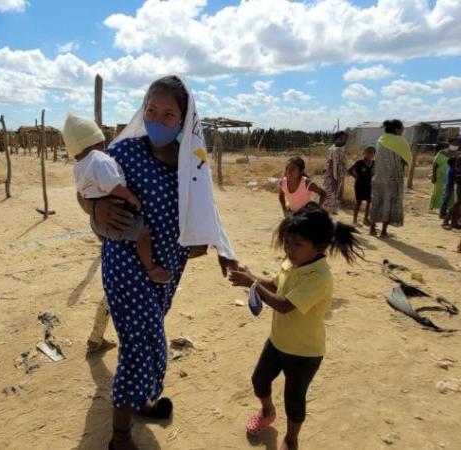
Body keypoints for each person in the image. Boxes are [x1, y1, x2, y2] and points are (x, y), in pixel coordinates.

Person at [76, 75, 237, 450]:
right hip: (124, 263)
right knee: (138, 344)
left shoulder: (191, 162)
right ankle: (119, 436)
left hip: (167, 267)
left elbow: (206, 207)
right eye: (151, 111)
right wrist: (95, 207)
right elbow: (85, 191)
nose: (157, 120)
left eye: (168, 115)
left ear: (183, 120)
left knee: (147, 335)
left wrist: (222, 250)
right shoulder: (123, 152)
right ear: (141, 110)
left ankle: (144, 400)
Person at [228, 203, 362, 450]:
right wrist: (252, 277)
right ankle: (267, 412)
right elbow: (275, 285)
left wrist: (253, 284)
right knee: (259, 380)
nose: (289, 249)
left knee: (294, 400)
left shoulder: (319, 278)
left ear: (319, 247)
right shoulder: (292, 263)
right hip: (278, 341)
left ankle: (291, 439)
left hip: (304, 352)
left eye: (297, 244)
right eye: (287, 242)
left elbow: (284, 305)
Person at [63, 112, 172, 284]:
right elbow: (111, 184)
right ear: (99, 140)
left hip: (96, 222)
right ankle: (151, 268)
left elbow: (81, 192)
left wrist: (93, 208)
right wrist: (130, 196)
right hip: (118, 215)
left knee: (113, 241)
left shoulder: (78, 166)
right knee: (143, 234)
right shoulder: (99, 158)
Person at [369, 119, 411, 238]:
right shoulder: (400, 141)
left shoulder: (381, 139)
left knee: (377, 201)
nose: (403, 130)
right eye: (402, 128)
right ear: (397, 129)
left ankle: (372, 228)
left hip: (378, 177)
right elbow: (406, 160)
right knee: (390, 202)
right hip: (393, 178)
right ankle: (383, 231)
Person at [430, 137, 460, 215]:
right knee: (438, 192)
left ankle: (447, 209)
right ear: (450, 144)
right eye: (454, 143)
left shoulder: (459, 155)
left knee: (450, 195)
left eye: (457, 144)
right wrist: (434, 175)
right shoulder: (442, 152)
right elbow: (435, 164)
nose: (455, 145)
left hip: (452, 177)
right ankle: (437, 208)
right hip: (440, 176)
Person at [347, 145, 376, 226]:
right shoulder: (359, 163)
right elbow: (349, 170)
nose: (370, 155)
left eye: (372, 153)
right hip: (359, 185)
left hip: (369, 185)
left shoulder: (374, 163)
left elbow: (375, 173)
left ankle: (365, 219)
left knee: (369, 201)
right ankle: (355, 220)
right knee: (358, 202)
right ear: (365, 153)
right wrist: (356, 177)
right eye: (369, 153)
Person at [323, 131, 348, 215]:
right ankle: (326, 211)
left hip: (339, 174)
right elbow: (330, 163)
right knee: (330, 192)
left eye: (344, 138)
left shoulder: (341, 148)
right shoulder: (333, 149)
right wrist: (333, 176)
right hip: (332, 174)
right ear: (336, 138)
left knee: (336, 192)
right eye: (341, 138)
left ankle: (332, 209)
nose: (343, 140)